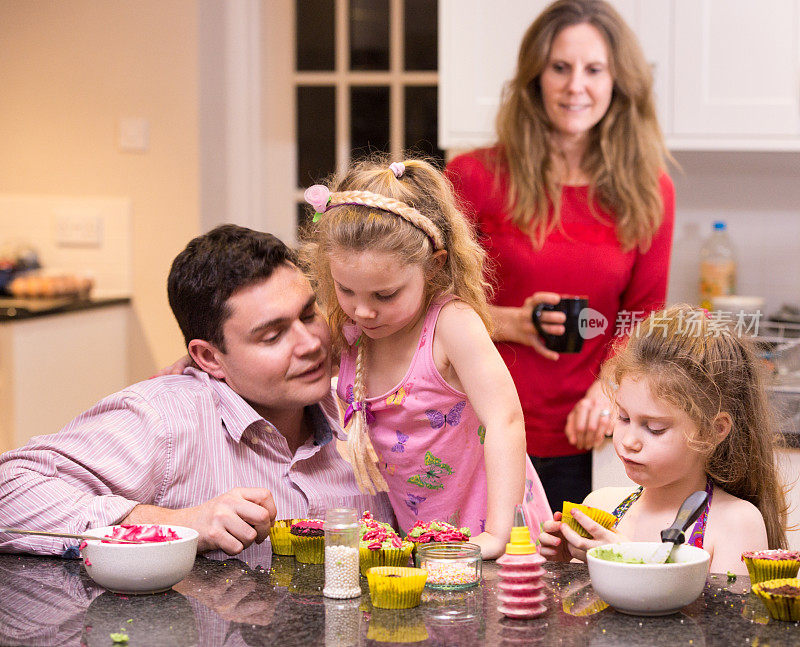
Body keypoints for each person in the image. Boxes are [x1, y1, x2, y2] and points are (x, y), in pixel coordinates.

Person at [0, 225, 394, 566]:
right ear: (209, 357)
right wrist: (179, 523)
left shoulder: (366, 404)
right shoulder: (165, 419)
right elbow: (9, 491)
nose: (310, 344)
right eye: (272, 335)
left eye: (309, 315)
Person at [444, 0, 675, 513]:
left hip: (587, 439)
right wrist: (510, 322)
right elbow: (426, 305)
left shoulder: (649, 192)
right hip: (476, 427)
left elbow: (641, 320)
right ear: (535, 78)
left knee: (575, 588)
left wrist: (608, 393)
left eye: (594, 69)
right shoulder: (474, 178)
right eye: (560, 68)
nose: (576, 87)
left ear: (618, 81)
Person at [299, 156, 551, 559]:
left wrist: (500, 534)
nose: (363, 311)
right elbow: (290, 364)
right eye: (346, 290)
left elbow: (505, 420)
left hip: (493, 535)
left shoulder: (452, 325)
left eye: (385, 295)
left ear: (433, 267)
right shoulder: (349, 331)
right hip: (421, 542)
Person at [538, 305, 787, 575]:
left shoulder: (736, 522)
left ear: (714, 430)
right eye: (623, 417)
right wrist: (564, 569)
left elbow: (724, 618)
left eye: (655, 428)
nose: (629, 441)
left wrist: (627, 560)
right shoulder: (600, 505)